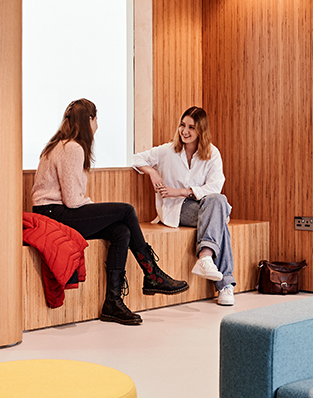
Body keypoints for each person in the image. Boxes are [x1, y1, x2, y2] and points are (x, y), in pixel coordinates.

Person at [31, 98, 189, 325]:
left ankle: (112, 302)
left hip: (50, 212)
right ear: (89, 120)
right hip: (55, 213)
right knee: (126, 210)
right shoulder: (73, 148)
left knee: (120, 231)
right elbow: (73, 201)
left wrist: (97, 211)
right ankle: (152, 273)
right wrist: (95, 208)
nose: (97, 125)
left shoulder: (60, 144)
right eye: (96, 119)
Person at [132, 106, 236, 306]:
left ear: (201, 131)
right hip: (176, 210)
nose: (185, 131)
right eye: (183, 125)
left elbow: (215, 186)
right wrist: (152, 172)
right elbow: (135, 159)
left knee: (218, 201)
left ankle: (206, 258)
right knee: (219, 214)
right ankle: (225, 284)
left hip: (202, 206)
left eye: (191, 127)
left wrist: (180, 191)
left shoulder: (212, 153)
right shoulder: (167, 151)